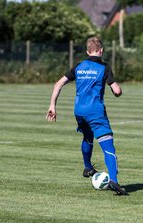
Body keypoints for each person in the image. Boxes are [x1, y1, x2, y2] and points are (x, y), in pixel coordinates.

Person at [46, 36, 127, 195]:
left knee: (87, 136)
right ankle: (114, 181)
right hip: (95, 111)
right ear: (101, 51)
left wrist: (52, 106)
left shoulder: (79, 66)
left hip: (79, 112)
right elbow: (116, 91)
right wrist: (117, 91)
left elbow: (58, 83)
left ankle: (87, 167)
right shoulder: (104, 67)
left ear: (87, 51)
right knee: (108, 146)